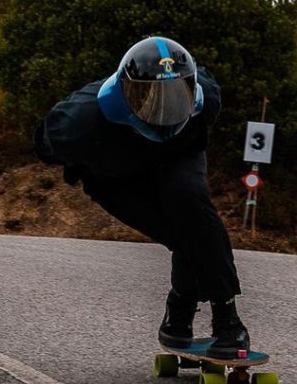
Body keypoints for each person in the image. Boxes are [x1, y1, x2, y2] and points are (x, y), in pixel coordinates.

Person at [34, 36, 251, 358]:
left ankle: (227, 321)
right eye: (148, 98)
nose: (163, 110)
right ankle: (179, 310)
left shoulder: (207, 98)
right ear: (125, 93)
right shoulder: (78, 122)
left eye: (177, 96)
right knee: (182, 235)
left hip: (176, 154)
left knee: (194, 212)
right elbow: (44, 146)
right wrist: (85, 160)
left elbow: (196, 130)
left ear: (191, 89)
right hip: (116, 177)